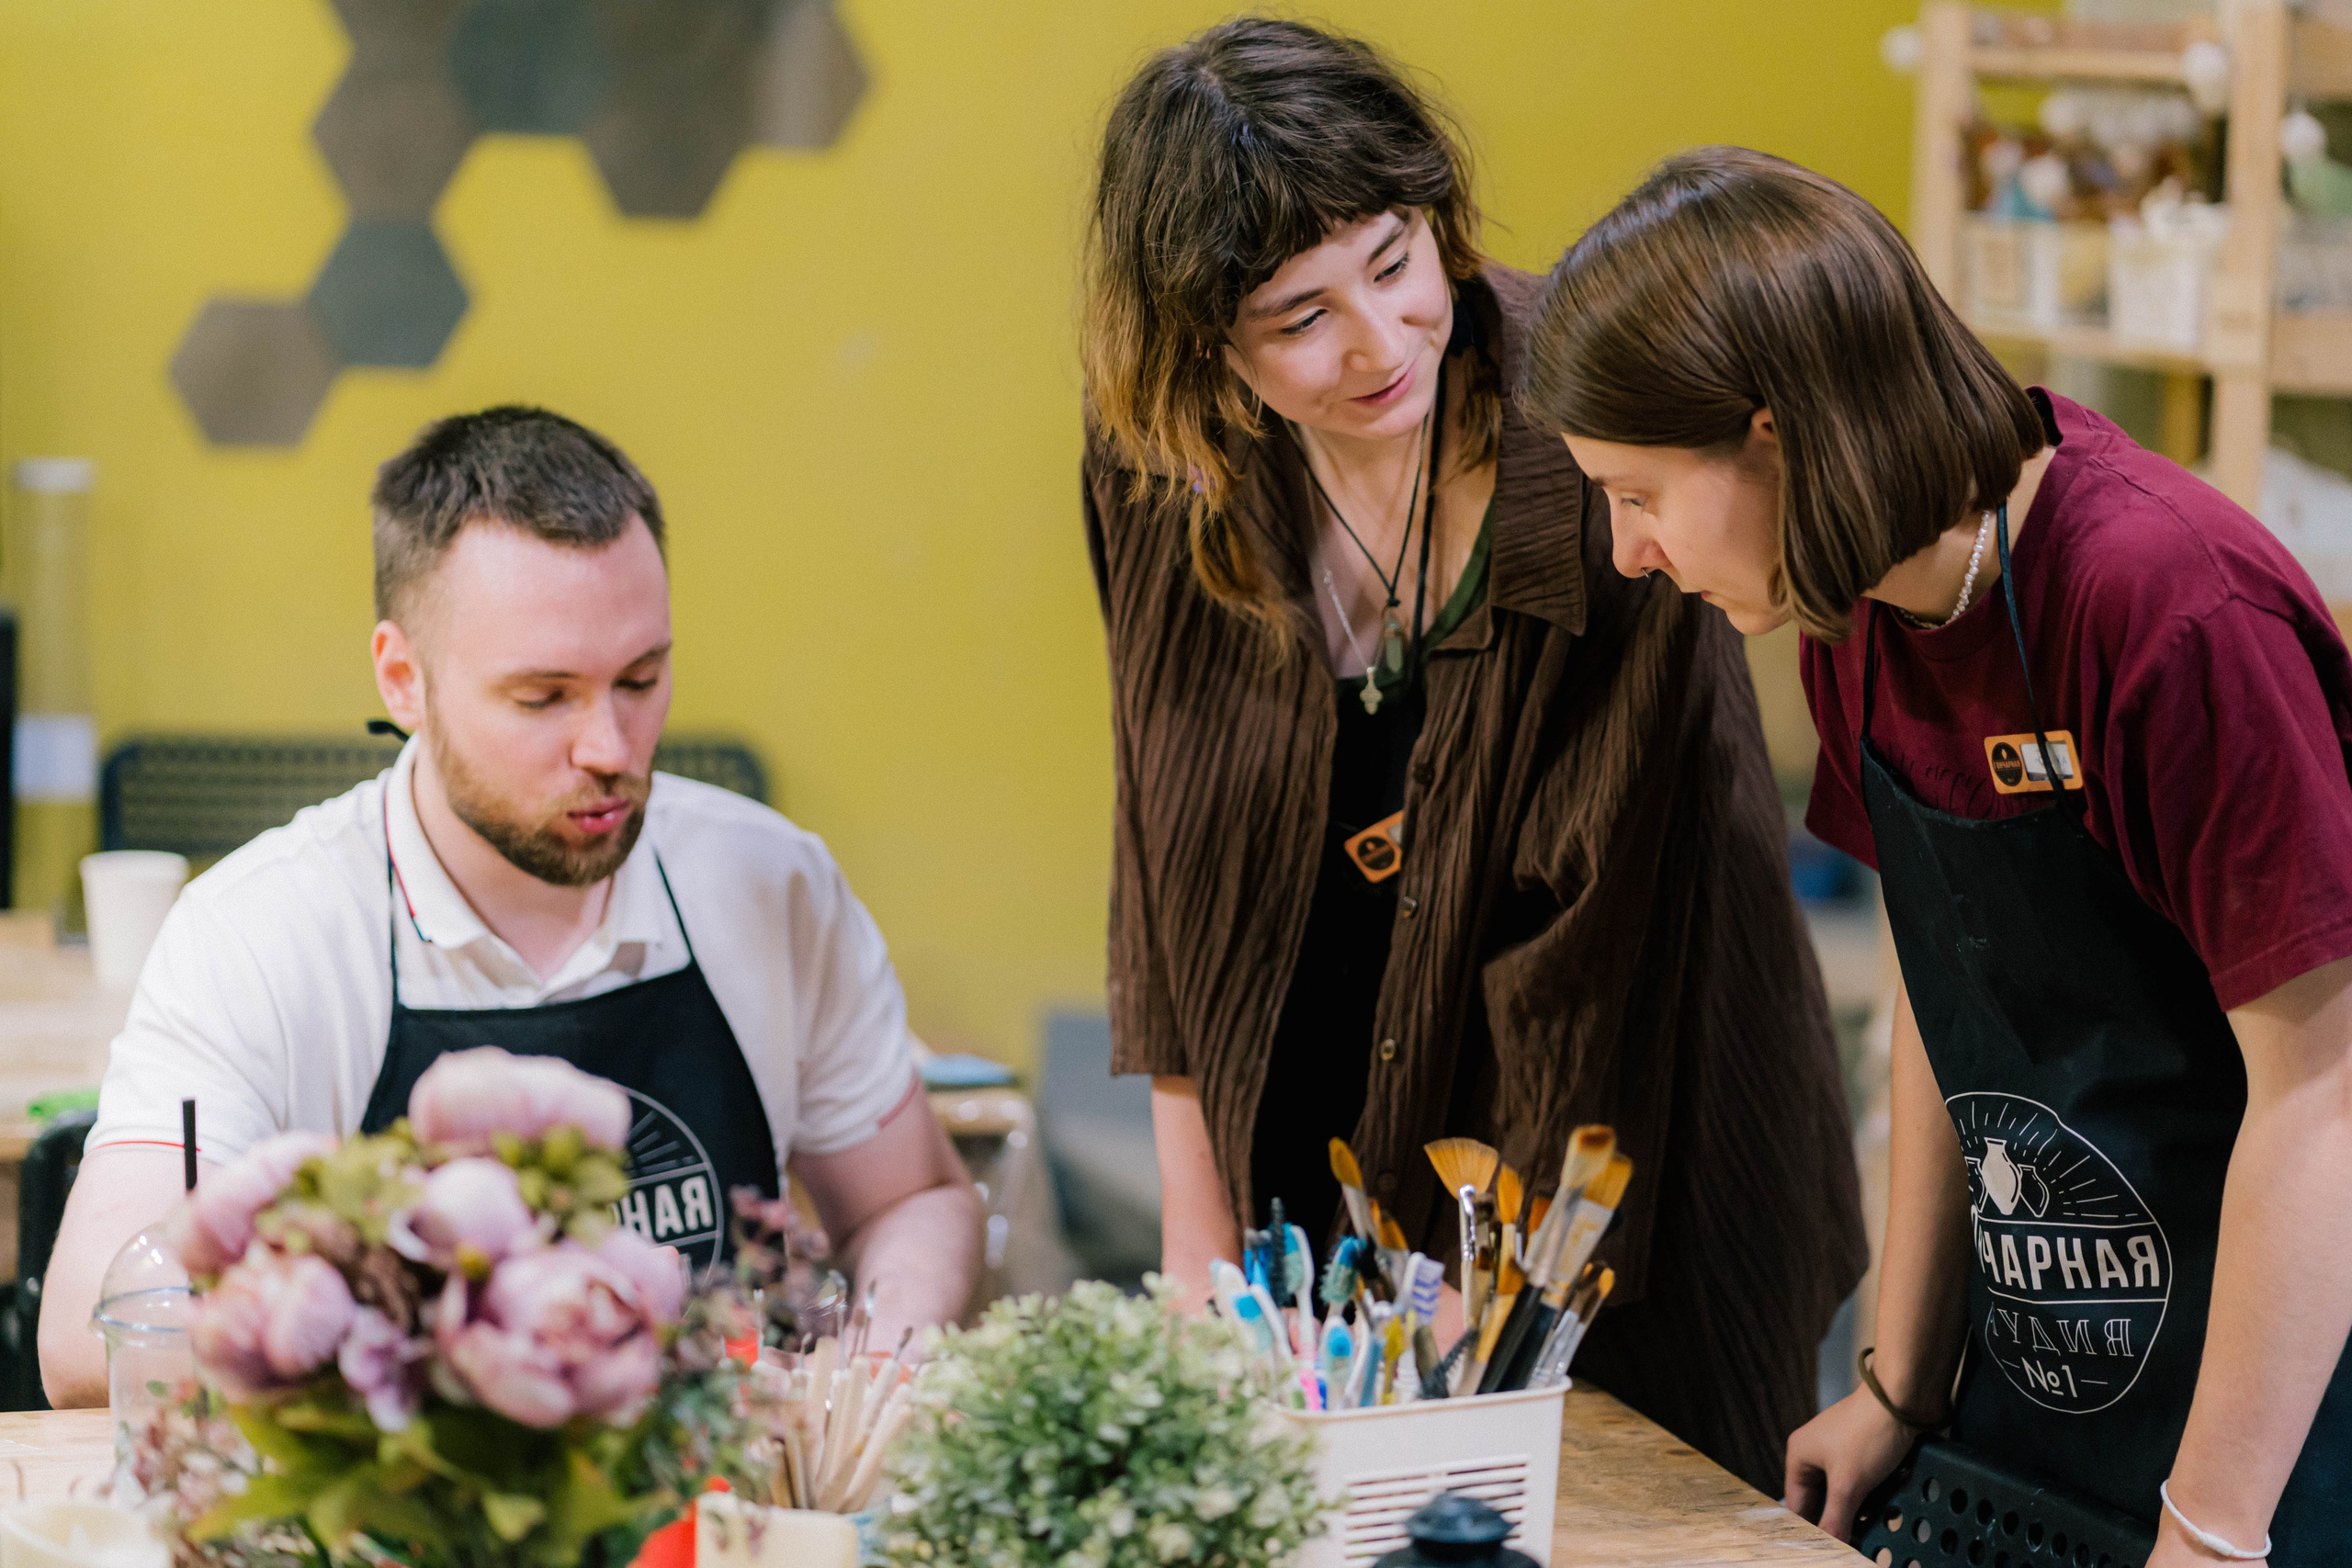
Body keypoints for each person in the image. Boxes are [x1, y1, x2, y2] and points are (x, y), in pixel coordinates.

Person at [1525, 146, 2352, 1563]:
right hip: (2042, 1398)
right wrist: (1896, 1382)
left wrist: (2214, 1532)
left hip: (2275, 1439)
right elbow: (1942, 985)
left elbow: (2327, 1089)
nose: (1629, 553)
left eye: (1640, 491)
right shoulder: (1853, 614)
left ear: (1776, 432)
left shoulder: (2165, 609)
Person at [1079, 19, 1864, 1491]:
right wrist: (1195, 1238)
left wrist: (1481, 1290)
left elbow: (1591, 938)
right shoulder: (1159, 461)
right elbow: (1162, 833)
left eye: (1394, 262)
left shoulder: (1594, 442)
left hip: (1625, 1133)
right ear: (1204, 350)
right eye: (1299, 316)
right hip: (1315, 1094)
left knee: (1616, 1490)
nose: (1379, 344)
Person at [41, 407, 980, 1406]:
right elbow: (87, 1341)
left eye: (641, 679)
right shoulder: (260, 935)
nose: (611, 748)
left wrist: (872, 1379)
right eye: (544, 698)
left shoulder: (769, 886)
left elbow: (914, 1199)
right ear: (403, 678)